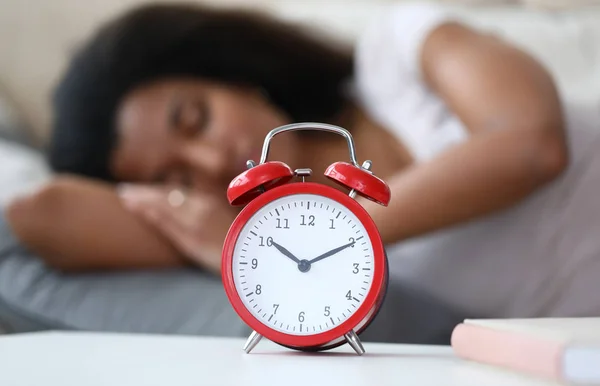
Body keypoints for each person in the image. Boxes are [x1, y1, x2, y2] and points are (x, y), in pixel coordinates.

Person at [2, 2, 599, 341]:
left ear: (229, 71)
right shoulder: (258, 237)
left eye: (196, 120)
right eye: (175, 180)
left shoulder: (398, 53)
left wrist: (316, 233)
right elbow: (38, 215)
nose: (211, 163)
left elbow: (530, 146)